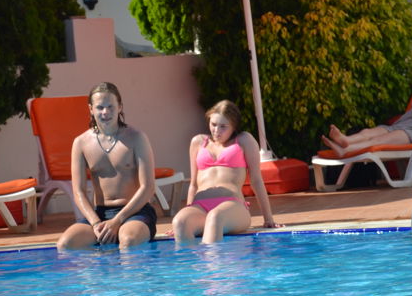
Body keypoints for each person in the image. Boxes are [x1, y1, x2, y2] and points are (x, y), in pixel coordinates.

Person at [56, 82, 157, 251]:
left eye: (110, 107)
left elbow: (148, 187)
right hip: (100, 214)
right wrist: (95, 223)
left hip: (135, 212)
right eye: (100, 107)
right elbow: (78, 191)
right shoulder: (81, 143)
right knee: (66, 245)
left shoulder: (137, 138)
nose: (105, 112)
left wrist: (117, 220)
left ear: (120, 107)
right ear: (91, 109)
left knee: (128, 241)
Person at [172, 100, 279, 244]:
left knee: (215, 217)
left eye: (223, 126)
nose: (216, 130)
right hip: (200, 206)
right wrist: (188, 215)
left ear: (234, 127)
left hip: (232, 205)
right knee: (179, 222)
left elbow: (256, 180)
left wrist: (268, 219)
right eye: (213, 124)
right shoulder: (198, 142)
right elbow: (193, 184)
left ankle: (212, 258)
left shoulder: (244, 140)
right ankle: (191, 259)